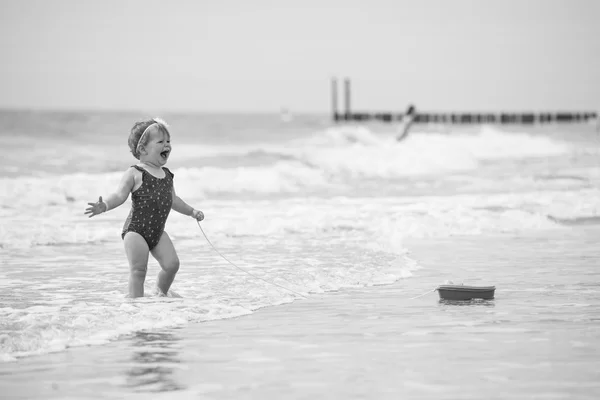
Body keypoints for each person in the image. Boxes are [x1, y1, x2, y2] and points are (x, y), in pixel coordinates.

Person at [85, 118, 204, 298]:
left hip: (157, 232)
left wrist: (192, 211)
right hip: (136, 231)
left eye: (168, 141)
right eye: (161, 142)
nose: (167, 145)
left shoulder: (167, 175)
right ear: (142, 149)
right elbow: (119, 195)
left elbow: (174, 200)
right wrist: (104, 205)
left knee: (172, 265)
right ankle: (135, 306)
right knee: (139, 270)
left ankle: (160, 293)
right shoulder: (135, 172)